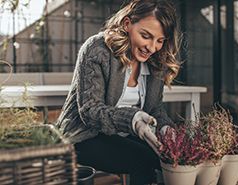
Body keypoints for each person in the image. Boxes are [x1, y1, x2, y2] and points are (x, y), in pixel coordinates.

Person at [56, 0, 181, 184]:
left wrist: (165, 128)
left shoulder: (156, 62)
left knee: (168, 157)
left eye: (160, 41)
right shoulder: (98, 49)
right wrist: (132, 119)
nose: (152, 47)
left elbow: (155, 109)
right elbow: (90, 111)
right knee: (143, 160)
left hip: (122, 134)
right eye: (146, 36)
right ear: (127, 24)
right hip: (84, 135)